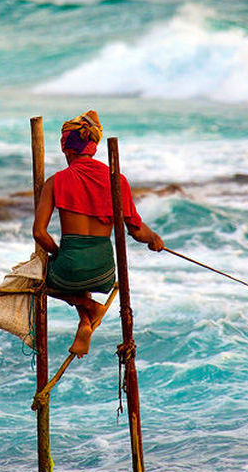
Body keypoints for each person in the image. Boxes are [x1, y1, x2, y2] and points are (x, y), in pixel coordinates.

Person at [33, 110, 164, 358]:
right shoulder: (118, 180)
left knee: (37, 279)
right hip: (104, 271)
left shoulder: (55, 181)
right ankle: (85, 322)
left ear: (66, 149)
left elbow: (39, 233)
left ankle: (91, 307)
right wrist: (155, 239)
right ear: (92, 147)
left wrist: (60, 254)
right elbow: (136, 230)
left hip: (69, 270)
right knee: (81, 273)